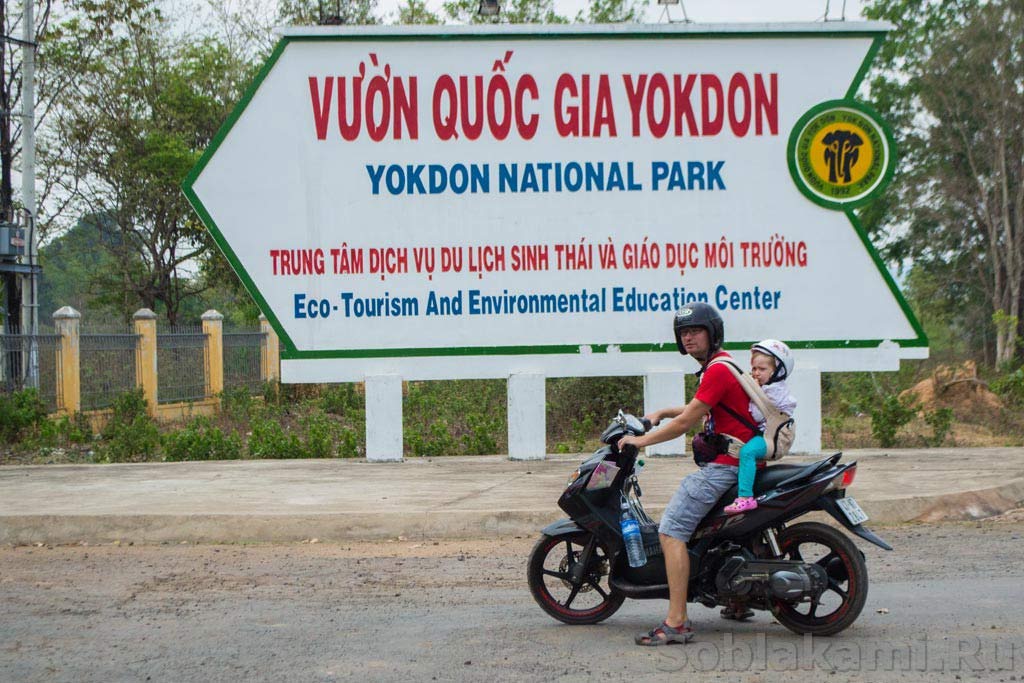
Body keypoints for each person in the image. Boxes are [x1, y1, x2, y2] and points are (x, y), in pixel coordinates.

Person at [617, 303, 758, 646]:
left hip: (725, 467)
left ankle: (676, 621)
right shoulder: (722, 366)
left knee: (671, 531)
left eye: (696, 330)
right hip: (738, 462)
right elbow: (702, 407)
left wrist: (641, 440)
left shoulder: (718, 370)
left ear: (712, 333)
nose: (689, 336)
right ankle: (738, 600)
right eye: (684, 332)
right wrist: (663, 411)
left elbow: (687, 421)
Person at [723, 339, 797, 515]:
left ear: (777, 370)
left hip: (772, 438)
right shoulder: (769, 387)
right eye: (754, 369)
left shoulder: (773, 391)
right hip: (768, 434)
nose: (756, 373)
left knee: (747, 452)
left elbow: (756, 415)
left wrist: (754, 391)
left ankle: (745, 498)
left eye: (762, 369)